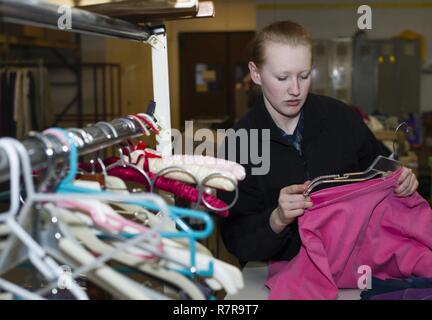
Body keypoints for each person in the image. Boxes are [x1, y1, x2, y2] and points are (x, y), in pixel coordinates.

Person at [218, 21, 419, 266]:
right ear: (255, 73)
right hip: (277, 275)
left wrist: (402, 180)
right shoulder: (241, 144)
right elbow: (237, 239)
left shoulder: (341, 118)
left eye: (304, 76)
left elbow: (383, 169)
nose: (295, 89)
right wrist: (277, 219)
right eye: (282, 77)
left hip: (353, 267)